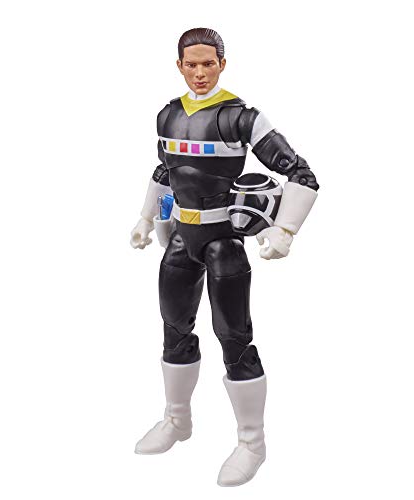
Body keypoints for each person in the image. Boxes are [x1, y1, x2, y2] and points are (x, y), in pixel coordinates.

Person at [130, 27, 319, 487]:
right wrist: (145, 217)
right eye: (191, 64)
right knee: (174, 328)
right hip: (181, 239)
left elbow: (302, 173)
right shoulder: (167, 115)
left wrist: (285, 230)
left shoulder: (242, 118)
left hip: (223, 243)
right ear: (179, 66)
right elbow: (165, 170)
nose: (199, 72)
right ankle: (177, 420)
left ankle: (252, 443)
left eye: (208, 63)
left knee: (234, 337)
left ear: (221, 64)